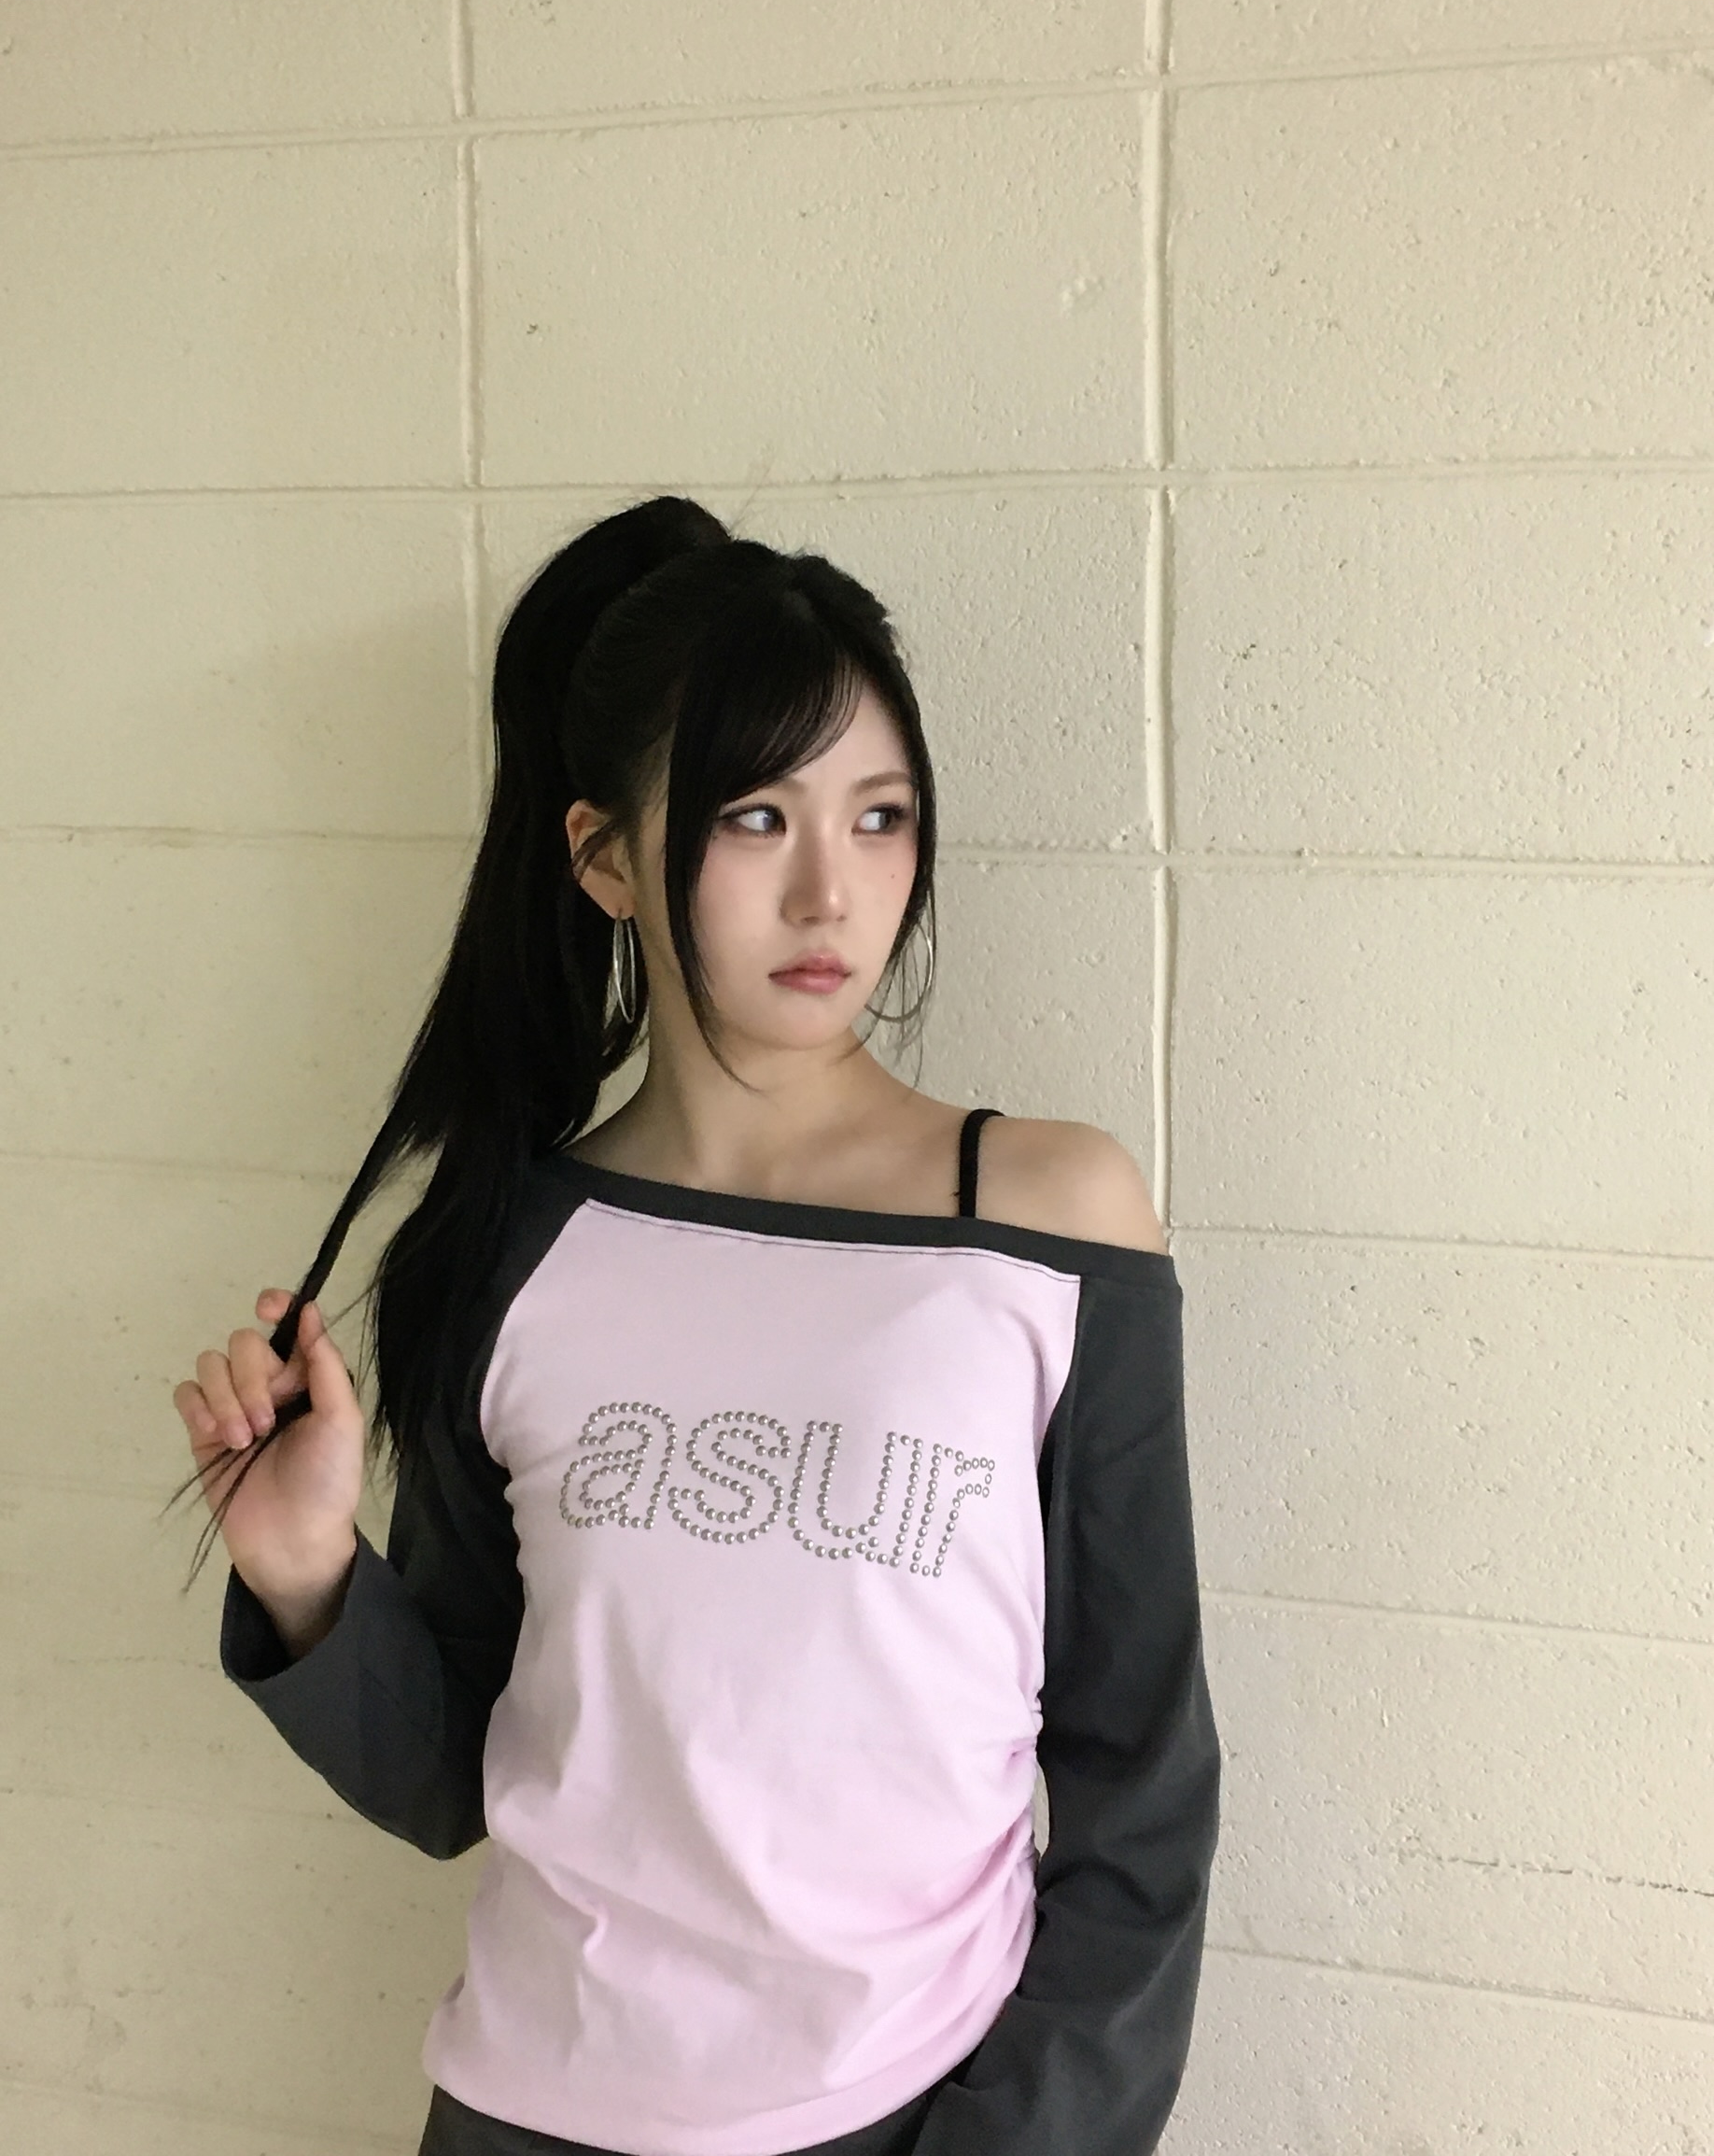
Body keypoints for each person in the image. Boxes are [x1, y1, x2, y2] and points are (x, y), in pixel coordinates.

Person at [167, 496, 1223, 2156]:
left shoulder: (1045, 1221)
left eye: (880, 816)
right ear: (604, 858)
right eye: (755, 817)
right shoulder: (509, 1247)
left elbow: (1139, 1788)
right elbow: (454, 1779)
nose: (831, 892)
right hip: (524, 2114)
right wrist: (309, 1581)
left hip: (910, 2115)